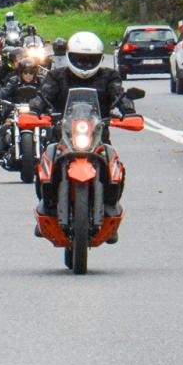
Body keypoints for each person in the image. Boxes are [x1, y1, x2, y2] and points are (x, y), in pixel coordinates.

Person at [27, 30, 136, 224]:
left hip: (98, 135)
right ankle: (47, 205)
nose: (85, 65)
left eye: (90, 60)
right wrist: (34, 111)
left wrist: (128, 111)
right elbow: (44, 95)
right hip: (62, 134)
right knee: (45, 162)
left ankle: (110, 205)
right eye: (80, 59)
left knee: (114, 164)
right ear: (69, 55)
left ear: (99, 58)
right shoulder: (56, 76)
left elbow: (119, 94)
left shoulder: (109, 76)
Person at [0, 54, 44, 159]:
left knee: (51, 125)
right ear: (21, 72)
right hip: (17, 110)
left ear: (35, 72)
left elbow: (49, 92)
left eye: (31, 72)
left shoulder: (41, 81)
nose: (28, 75)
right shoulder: (14, 80)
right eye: (25, 72)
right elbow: (5, 91)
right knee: (7, 123)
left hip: (37, 111)